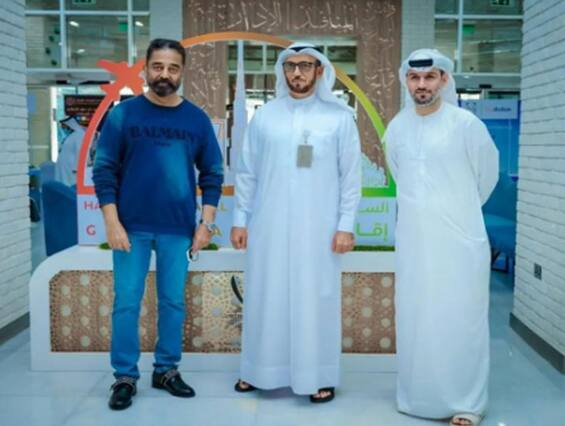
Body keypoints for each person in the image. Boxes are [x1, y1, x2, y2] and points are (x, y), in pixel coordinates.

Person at [93, 38, 224, 410]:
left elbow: (212, 173)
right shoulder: (124, 115)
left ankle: (166, 370)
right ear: (146, 69)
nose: (164, 74)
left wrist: (206, 223)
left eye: (173, 68)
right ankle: (124, 376)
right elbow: (104, 171)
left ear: (182, 72)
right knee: (126, 303)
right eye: (158, 66)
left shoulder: (196, 119)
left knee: (172, 302)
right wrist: (112, 223)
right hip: (130, 228)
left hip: (177, 229)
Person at [230, 42, 362, 403]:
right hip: (268, 226)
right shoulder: (265, 116)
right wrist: (240, 219)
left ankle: (318, 375)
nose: (297, 73)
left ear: (319, 71)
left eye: (305, 66)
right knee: (266, 296)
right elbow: (248, 172)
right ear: (282, 71)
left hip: (320, 229)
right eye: (290, 66)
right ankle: (258, 371)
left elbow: (351, 177)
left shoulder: (339, 118)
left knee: (316, 299)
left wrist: (345, 225)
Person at [384, 49, 499, 426]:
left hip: (459, 243)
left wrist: (456, 215)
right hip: (415, 243)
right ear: (406, 81)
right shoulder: (397, 127)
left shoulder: (466, 125)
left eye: (430, 77)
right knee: (416, 318)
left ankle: (467, 403)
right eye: (414, 78)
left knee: (460, 319)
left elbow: (486, 178)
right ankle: (417, 398)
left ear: (444, 80)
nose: (422, 85)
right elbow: (400, 177)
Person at [54, 115, 85, 186]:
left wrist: (77, 168)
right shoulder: (71, 135)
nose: (62, 128)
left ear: (69, 125)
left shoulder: (79, 135)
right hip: (65, 168)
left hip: (72, 169)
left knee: (71, 186)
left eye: (63, 126)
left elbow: (80, 151)